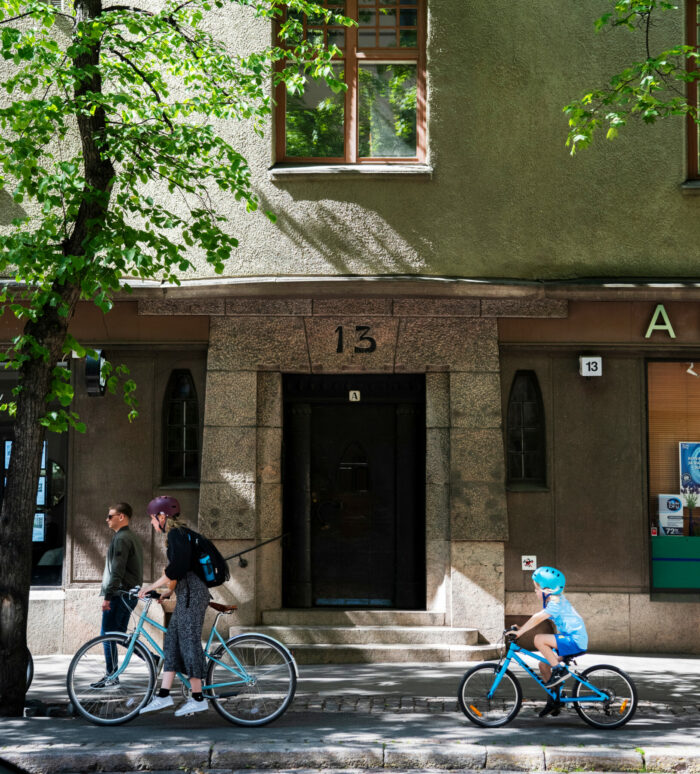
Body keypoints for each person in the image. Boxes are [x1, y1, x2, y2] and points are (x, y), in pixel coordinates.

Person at [138, 495, 210, 717]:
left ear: (162, 516)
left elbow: (177, 567)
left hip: (193, 596)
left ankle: (198, 698)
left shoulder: (177, 535)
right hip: (186, 594)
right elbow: (183, 568)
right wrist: (169, 590)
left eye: (152, 519)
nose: (151, 523)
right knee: (171, 641)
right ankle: (163, 695)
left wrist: (151, 586)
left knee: (188, 643)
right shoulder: (178, 535)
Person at [512, 565, 588, 717]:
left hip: (574, 639)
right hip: (570, 638)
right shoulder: (554, 601)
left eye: (537, 588)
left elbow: (538, 618)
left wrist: (520, 632)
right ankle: (555, 701)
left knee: (539, 639)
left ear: (547, 590)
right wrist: (520, 628)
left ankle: (560, 671)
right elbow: (536, 618)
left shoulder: (555, 604)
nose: (535, 591)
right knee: (543, 665)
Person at [94, 502, 144, 688]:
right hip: (127, 594)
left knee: (107, 635)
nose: (107, 519)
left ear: (121, 517)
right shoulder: (130, 537)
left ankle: (111, 675)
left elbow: (117, 571)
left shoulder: (122, 538)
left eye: (110, 516)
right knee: (120, 636)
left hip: (119, 595)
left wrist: (108, 597)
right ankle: (153, 659)